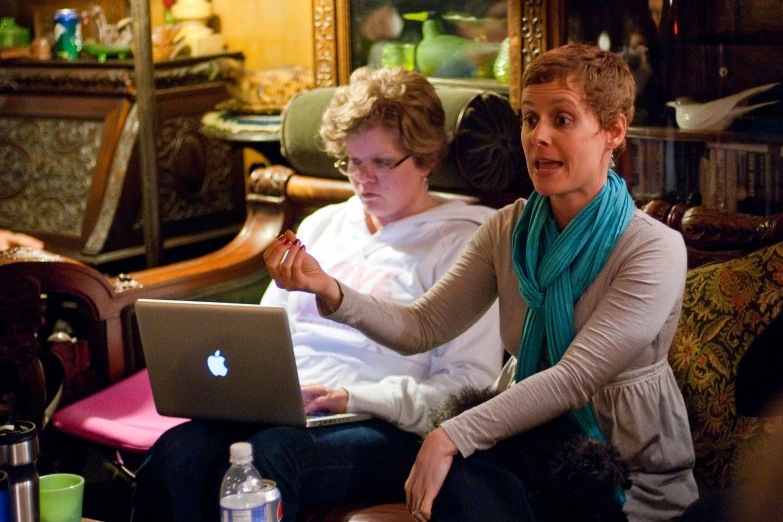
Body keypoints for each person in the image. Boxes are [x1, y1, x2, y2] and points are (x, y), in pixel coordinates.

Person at [265, 43, 699, 521]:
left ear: (614, 130)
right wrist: (331, 290)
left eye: (563, 119)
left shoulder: (654, 248)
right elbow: (422, 326)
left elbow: (575, 378)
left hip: (630, 476)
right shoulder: (508, 228)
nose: (539, 137)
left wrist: (452, 433)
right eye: (530, 119)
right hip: (526, 449)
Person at [131, 66, 503, 522]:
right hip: (289, 411)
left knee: (272, 458)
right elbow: (263, 337)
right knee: (178, 453)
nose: (363, 179)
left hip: (386, 424)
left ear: (425, 159)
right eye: (352, 162)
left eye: (382, 162)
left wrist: (355, 397)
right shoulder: (324, 225)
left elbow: (465, 389)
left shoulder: (468, 240)